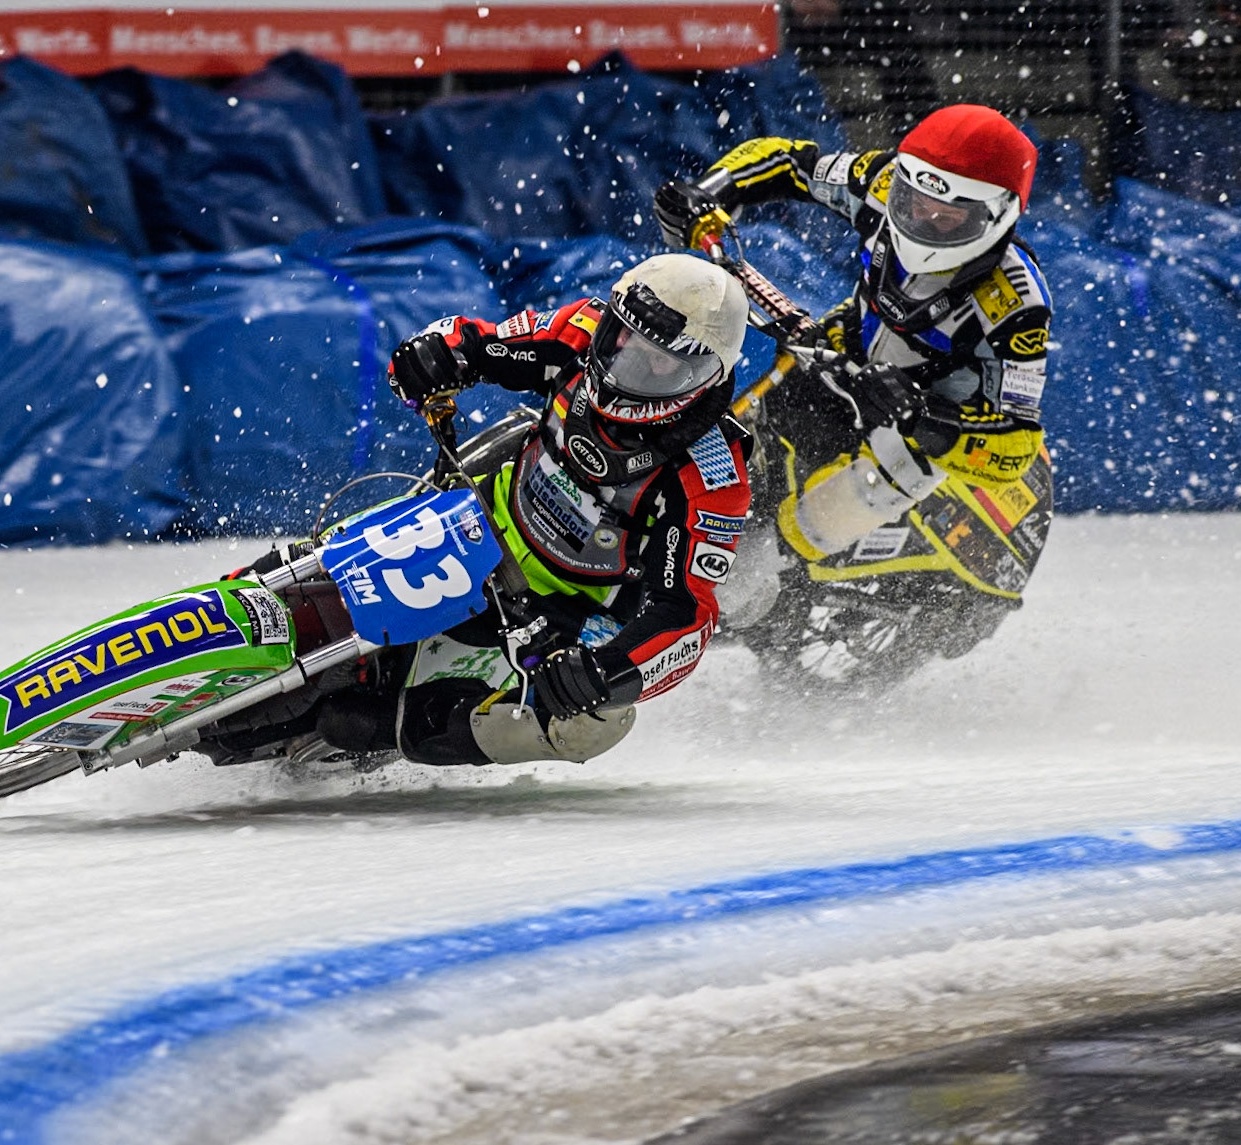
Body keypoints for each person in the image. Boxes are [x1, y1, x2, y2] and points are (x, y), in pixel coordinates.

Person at [378, 253, 755, 765]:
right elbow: (481, 341)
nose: (628, 367)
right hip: (481, 520)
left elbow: (686, 614)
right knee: (334, 552)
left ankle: (403, 732)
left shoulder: (712, 476)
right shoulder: (579, 330)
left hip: (564, 610)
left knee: (591, 720)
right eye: (623, 343)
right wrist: (439, 353)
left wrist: (607, 670)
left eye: (660, 361)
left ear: (703, 377)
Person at [652, 104, 1052, 562]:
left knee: (856, 499)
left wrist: (920, 412)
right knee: (747, 423)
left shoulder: (1020, 304)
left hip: (918, 424)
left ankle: (780, 567)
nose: (921, 219)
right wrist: (710, 192)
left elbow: (1016, 441)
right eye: (914, 201)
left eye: (947, 216)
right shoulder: (881, 182)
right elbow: (789, 162)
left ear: (998, 215)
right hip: (844, 351)